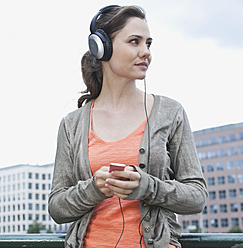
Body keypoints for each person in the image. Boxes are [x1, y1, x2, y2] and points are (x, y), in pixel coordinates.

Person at [48, 5, 208, 248]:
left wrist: (147, 186)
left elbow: (197, 196)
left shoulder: (170, 112)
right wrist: (94, 189)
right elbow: (57, 208)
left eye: (149, 43)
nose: (146, 52)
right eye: (135, 41)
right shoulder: (72, 124)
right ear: (102, 48)